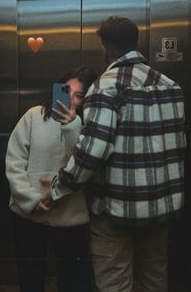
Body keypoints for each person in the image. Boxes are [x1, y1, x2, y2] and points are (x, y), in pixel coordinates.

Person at [48, 17, 186, 292]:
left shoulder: (105, 86)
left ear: (104, 47)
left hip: (116, 210)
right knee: (154, 280)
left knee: (115, 284)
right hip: (161, 207)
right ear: (136, 43)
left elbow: (94, 151)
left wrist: (60, 185)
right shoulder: (172, 86)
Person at [5, 67, 97, 292]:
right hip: (29, 212)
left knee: (73, 278)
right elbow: (14, 161)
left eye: (79, 95)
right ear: (57, 90)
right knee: (30, 276)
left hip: (71, 216)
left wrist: (73, 126)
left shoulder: (91, 123)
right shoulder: (34, 116)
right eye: (67, 92)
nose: (72, 100)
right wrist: (30, 199)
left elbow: (86, 160)